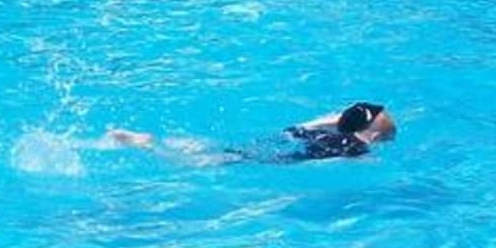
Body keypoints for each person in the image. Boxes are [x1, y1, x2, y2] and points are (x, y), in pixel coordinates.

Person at [107, 102, 396, 163]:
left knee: (231, 150)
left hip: (294, 136)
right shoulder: (357, 148)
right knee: (210, 162)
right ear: (373, 136)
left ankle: (156, 141)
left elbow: (322, 121)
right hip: (293, 153)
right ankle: (149, 146)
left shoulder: (322, 129)